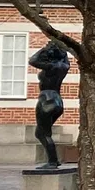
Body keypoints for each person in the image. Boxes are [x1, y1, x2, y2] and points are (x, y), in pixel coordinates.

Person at [29, 40, 70, 168]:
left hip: (46, 100)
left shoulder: (51, 66)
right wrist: (59, 48)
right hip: (57, 100)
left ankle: (52, 162)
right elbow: (64, 57)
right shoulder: (63, 66)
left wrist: (44, 49)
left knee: (43, 133)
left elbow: (32, 60)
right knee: (40, 132)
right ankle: (54, 160)